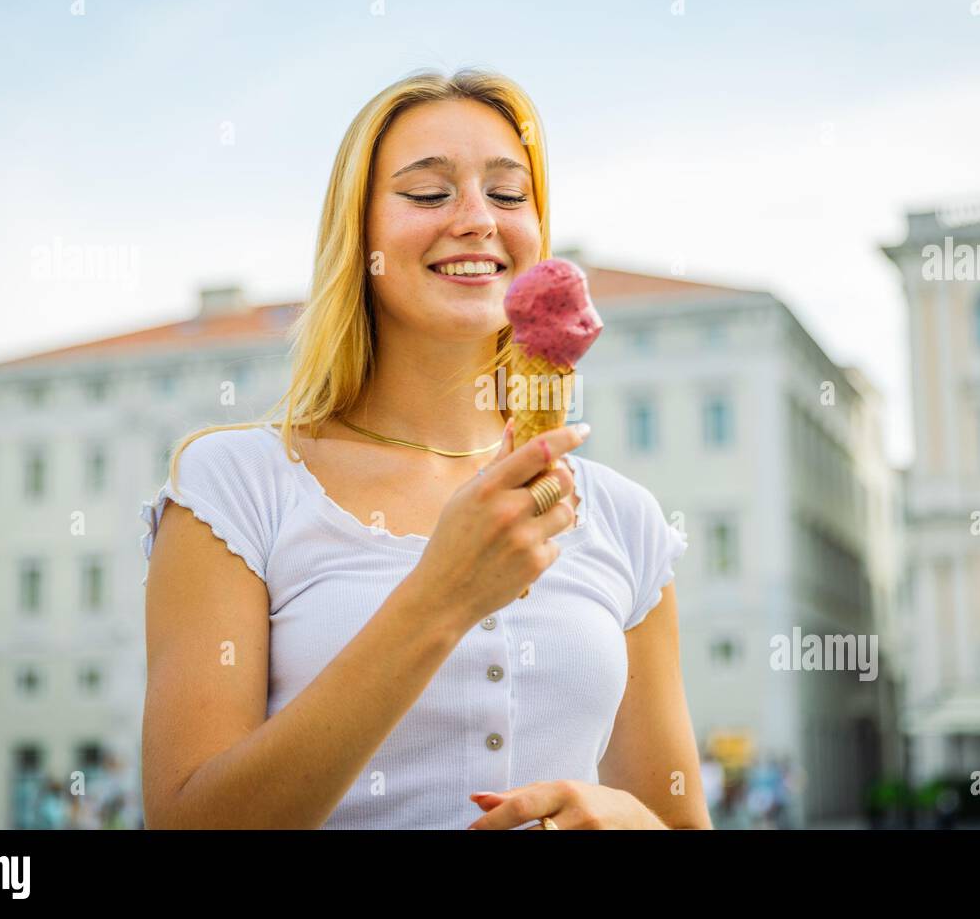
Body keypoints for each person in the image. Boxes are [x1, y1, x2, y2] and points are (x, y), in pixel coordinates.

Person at [139, 68, 708, 830]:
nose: (477, 219)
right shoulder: (236, 487)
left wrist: (632, 824)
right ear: (360, 233)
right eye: (428, 193)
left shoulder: (624, 519)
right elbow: (190, 824)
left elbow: (677, 820)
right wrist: (444, 594)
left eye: (508, 194)